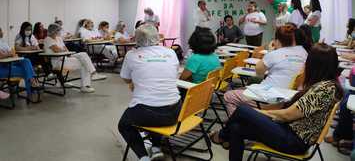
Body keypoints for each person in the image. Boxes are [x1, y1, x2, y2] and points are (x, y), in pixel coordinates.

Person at [210, 43, 342, 161]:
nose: (305, 64)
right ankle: (224, 135)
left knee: (243, 110)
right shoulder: (325, 85)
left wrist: (256, 113)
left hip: (294, 141)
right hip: (289, 131)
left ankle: (221, 135)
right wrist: (257, 115)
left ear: (315, 64)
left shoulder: (324, 89)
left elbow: (287, 115)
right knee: (236, 127)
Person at [118, 24, 181, 161]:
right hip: (175, 111)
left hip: (146, 112)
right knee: (156, 104)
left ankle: (143, 157)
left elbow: (126, 78)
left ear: (137, 38)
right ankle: (156, 147)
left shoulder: (132, 55)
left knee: (124, 125)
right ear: (157, 36)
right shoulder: (170, 52)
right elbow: (173, 74)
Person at [224, 25, 308, 115]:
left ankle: (242, 125)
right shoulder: (303, 52)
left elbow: (259, 71)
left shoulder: (274, 54)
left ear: (277, 41)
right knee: (244, 89)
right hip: (292, 98)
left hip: (270, 98)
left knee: (229, 96)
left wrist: (271, 51)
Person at [44, 24, 106, 93]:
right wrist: (62, 50)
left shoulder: (59, 38)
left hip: (66, 58)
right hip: (57, 62)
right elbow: (56, 50)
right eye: (58, 30)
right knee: (84, 63)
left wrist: (63, 50)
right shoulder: (47, 39)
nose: (59, 32)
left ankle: (93, 75)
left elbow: (65, 49)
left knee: (84, 55)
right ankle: (88, 82)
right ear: (53, 31)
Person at [0, 27, 38, 98]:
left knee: (26, 60)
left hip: (9, 63)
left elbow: (13, 52)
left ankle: (31, 85)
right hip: (2, 68)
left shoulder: (3, 41)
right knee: (25, 70)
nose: (2, 32)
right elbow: (1, 56)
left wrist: (8, 54)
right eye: (1, 31)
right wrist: (9, 54)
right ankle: (30, 90)